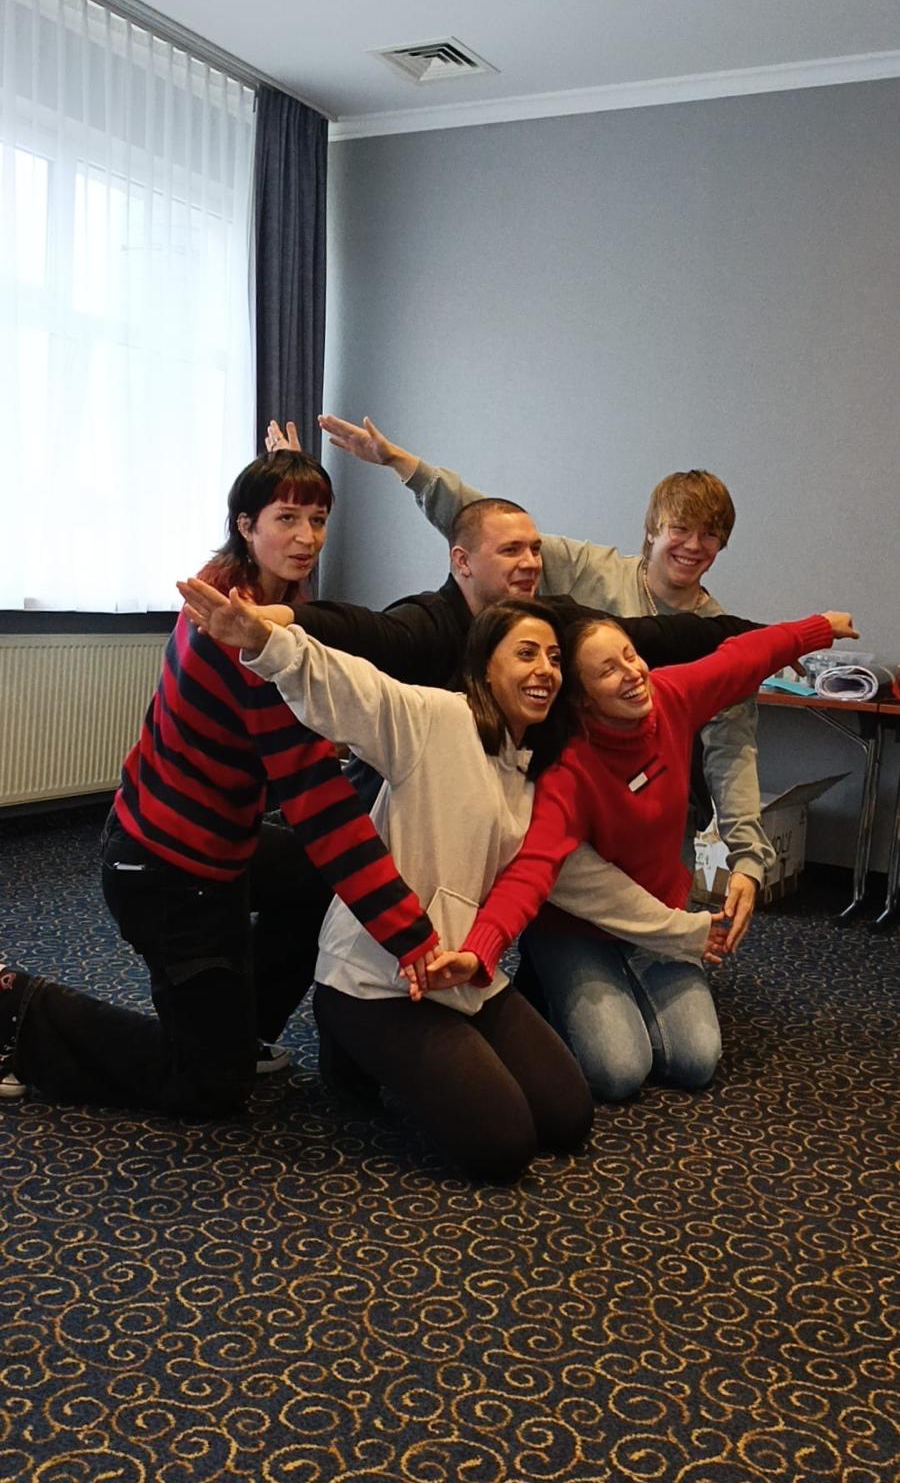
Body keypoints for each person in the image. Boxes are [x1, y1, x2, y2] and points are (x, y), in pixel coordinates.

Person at [179, 577, 722, 1176]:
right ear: (486, 668)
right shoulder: (440, 719)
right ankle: (348, 1044)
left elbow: (586, 882)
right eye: (525, 653)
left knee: (568, 1118)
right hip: (376, 980)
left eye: (554, 658)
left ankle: (399, 1058)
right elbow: (355, 689)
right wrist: (266, 642)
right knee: (502, 1147)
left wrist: (688, 931)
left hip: (465, 972)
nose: (544, 669)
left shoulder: (535, 775)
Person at [0, 450, 438, 1117]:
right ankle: (16, 1014)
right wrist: (412, 937)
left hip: (203, 837)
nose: (307, 538)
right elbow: (321, 808)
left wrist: (284, 468)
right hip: (167, 870)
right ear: (245, 525)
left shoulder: (231, 586)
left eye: (318, 520)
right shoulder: (247, 641)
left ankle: (237, 1026)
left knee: (313, 885)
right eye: (286, 519)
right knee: (209, 1086)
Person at [304, 414, 772, 957]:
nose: (693, 545)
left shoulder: (718, 637)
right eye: (680, 530)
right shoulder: (587, 572)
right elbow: (486, 526)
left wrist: (748, 855)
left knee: (660, 939)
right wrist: (402, 464)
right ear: (652, 530)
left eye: (709, 535)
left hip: (654, 800)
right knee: (548, 918)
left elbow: (732, 747)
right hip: (566, 789)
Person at [414, 609, 858, 1101]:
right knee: (619, 1071)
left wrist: (817, 629)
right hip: (578, 931)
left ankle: (606, 997)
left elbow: (741, 658)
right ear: (582, 698)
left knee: (695, 1061)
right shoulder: (568, 768)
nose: (632, 673)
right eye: (608, 670)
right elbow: (531, 869)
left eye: (631, 656)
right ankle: (547, 982)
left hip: (659, 916)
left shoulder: (671, 697)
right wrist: (482, 948)